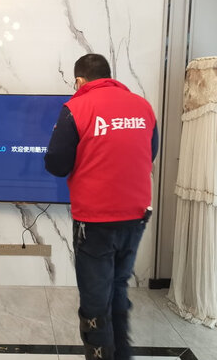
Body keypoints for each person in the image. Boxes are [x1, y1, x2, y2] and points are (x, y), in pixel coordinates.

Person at [44, 54, 158, 360]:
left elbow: (56, 164)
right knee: (118, 288)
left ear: (80, 80)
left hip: (95, 221)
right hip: (136, 216)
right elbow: (150, 152)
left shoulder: (77, 107)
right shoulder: (143, 106)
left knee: (95, 303)